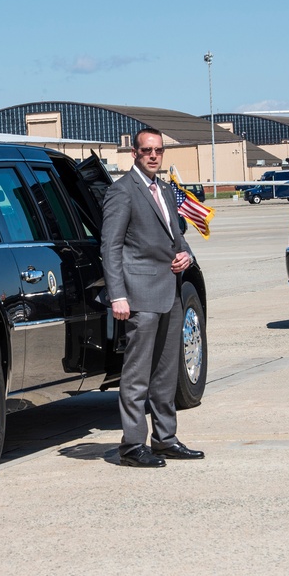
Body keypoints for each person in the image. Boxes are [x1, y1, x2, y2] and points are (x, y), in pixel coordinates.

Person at [100, 127, 204, 468]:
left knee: (165, 372)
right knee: (136, 375)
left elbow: (177, 236)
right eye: (147, 150)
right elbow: (110, 247)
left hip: (169, 293)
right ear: (134, 153)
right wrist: (118, 295)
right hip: (139, 296)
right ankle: (132, 446)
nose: (154, 155)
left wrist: (185, 255)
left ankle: (165, 439)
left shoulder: (164, 189)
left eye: (158, 150)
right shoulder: (122, 192)